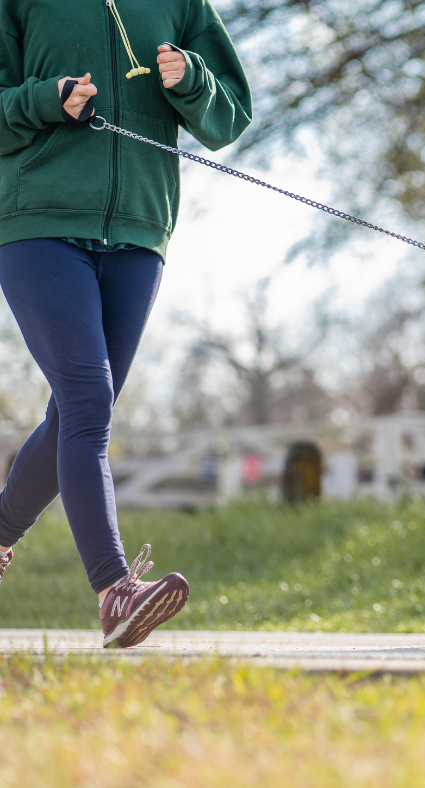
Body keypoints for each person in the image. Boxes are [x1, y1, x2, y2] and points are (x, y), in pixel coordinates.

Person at [0, 0, 251, 647]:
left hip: (140, 232)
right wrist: (45, 100)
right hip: (38, 225)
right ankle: (116, 591)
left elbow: (230, 116)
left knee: (75, 414)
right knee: (89, 399)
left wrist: (191, 79)